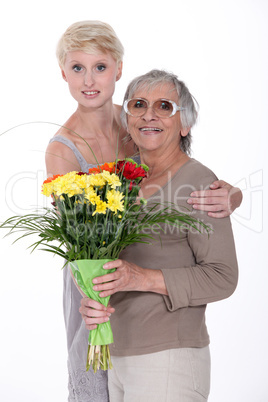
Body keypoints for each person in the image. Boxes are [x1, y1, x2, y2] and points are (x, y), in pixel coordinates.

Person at [45, 21, 241, 401]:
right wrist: (92, 293)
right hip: (94, 283)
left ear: (118, 69)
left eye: (100, 66)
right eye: (78, 67)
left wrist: (231, 195)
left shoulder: (135, 120)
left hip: (151, 322)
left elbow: (186, 178)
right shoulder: (64, 151)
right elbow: (78, 242)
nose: (89, 79)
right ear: (63, 72)